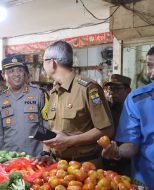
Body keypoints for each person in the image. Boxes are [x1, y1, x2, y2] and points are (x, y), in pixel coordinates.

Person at [34, 40, 114, 167]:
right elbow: (51, 131)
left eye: (43, 61)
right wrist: (46, 153)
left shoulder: (88, 88)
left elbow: (106, 130)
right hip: (57, 166)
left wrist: (69, 141)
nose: (43, 65)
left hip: (85, 166)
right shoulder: (54, 92)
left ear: (52, 63)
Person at [101, 46, 154, 189]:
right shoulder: (137, 100)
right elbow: (131, 142)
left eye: (117, 89)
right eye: (150, 66)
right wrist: (117, 151)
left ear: (126, 89)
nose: (152, 73)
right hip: (145, 181)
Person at [0, 54, 47, 157]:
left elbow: (47, 126)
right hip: (10, 160)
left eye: (20, 70)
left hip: (36, 158)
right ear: (3, 75)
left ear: (25, 73)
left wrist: (46, 153)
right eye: (11, 71)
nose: (16, 74)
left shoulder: (38, 95)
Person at [102, 74, 132, 176]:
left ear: (128, 90)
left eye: (117, 89)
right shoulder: (107, 109)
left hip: (127, 160)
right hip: (107, 158)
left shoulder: (134, 111)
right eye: (111, 89)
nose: (113, 93)